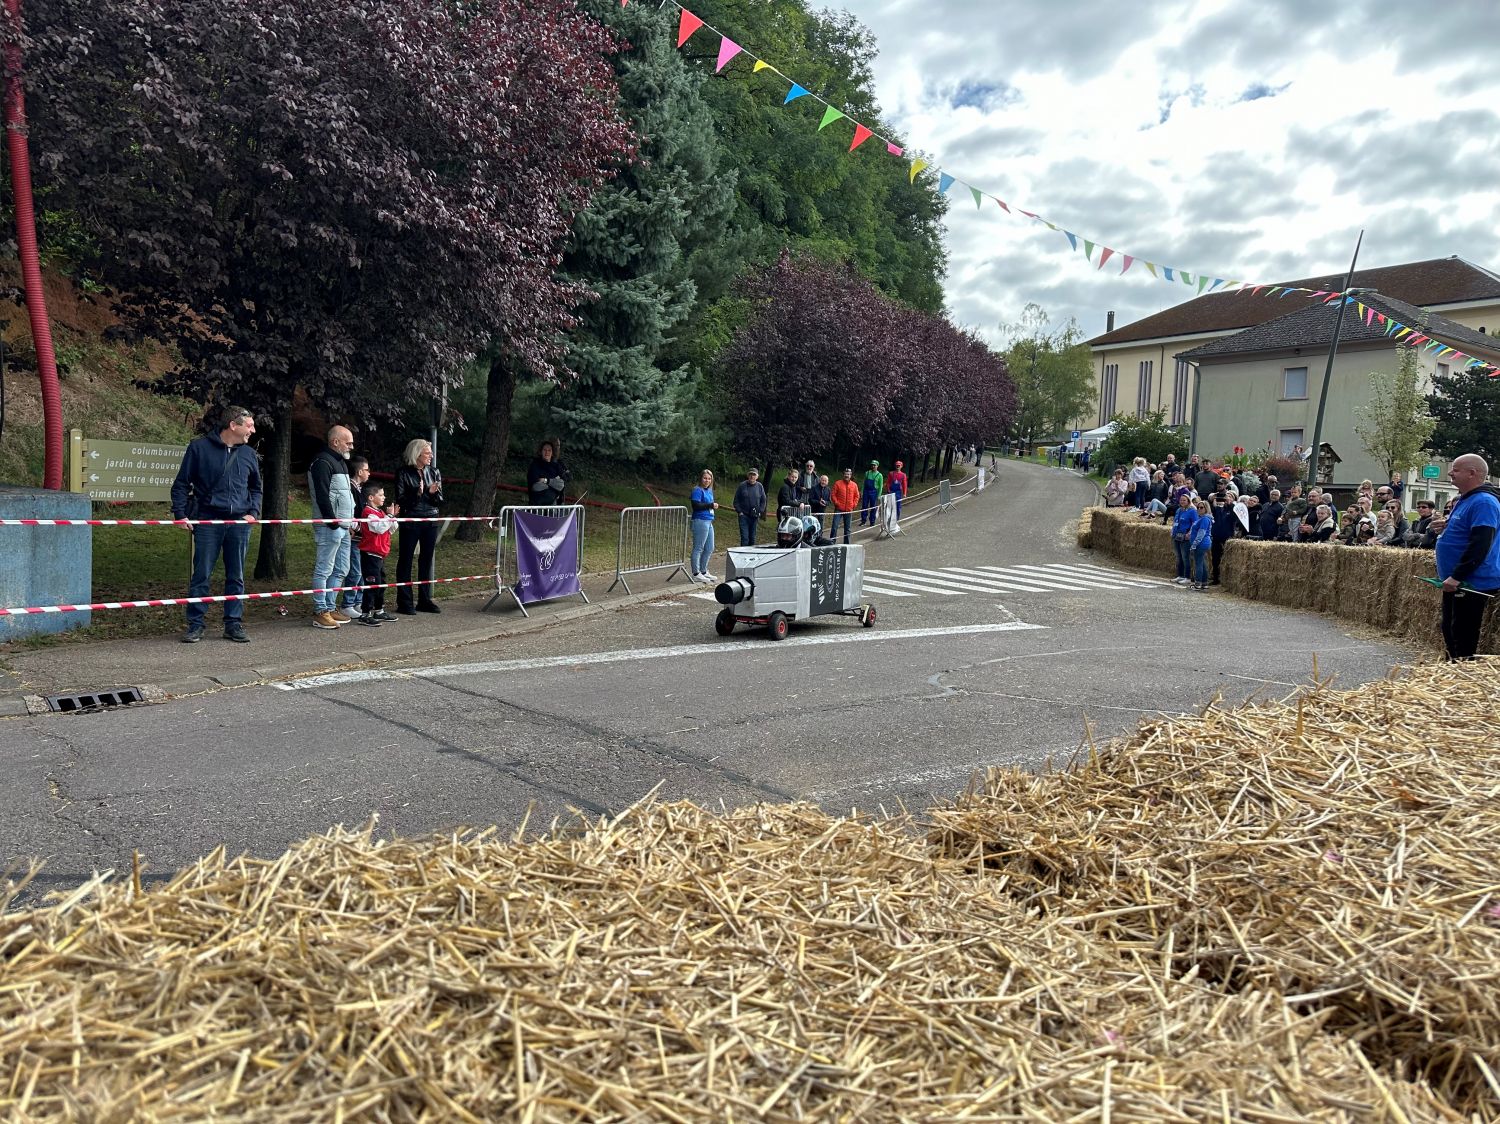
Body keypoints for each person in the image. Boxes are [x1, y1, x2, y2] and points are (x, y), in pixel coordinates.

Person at [169, 404, 261, 643]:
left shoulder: (249, 454)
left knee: (236, 575)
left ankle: (233, 624)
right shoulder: (199, 448)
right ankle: (195, 624)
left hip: (239, 523)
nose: (253, 430)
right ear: (233, 425)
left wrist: (253, 512)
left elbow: (256, 488)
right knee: (201, 574)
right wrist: (180, 514)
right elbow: (181, 484)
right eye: (249, 425)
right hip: (208, 521)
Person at [1435, 453, 1500, 660]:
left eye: (1455, 469)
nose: (1450, 473)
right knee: (1450, 630)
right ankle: (1453, 673)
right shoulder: (1467, 499)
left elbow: (1481, 544)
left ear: (1472, 473)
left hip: (1471, 581)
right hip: (1457, 580)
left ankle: (1461, 678)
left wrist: (1457, 576)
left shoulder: (1484, 502)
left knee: (1461, 636)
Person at [308, 425, 357, 630]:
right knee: (325, 568)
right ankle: (320, 610)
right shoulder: (322, 462)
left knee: (341, 568)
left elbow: (346, 496)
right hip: (331, 525)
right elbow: (322, 495)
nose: (351, 447)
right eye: (348, 442)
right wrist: (331, 520)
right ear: (335, 441)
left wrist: (351, 520)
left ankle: (330, 605)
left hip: (344, 525)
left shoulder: (341, 463)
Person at [395, 438, 444, 614]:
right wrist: (418, 493)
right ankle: (404, 601)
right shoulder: (402, 473)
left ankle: (425, 599)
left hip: (430, 520)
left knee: (426, 560)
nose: (431, 455)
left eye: (431, 452)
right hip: (411, 520)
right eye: (427, 452)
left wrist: (431, 494)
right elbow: (401, 501)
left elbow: (440, 500)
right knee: (406, 560)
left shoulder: (435, 472)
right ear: (417, 454)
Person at [355, 482, 399, 625]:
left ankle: (379, 610)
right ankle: (365, 613)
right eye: (380, 495)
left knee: (382, 583)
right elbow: (379, 528)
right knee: (372, 584)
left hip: (380, 554)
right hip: (370, 555)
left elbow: (391, 529)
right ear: (370, 497)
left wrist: (391, 517)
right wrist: (389, 516)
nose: (384, 497)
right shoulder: (368, 513)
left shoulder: (381, 513)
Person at [338, 455, 371, 621]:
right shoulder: (350, 489)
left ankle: (358, 600)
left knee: (361, 572)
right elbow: (351, 513)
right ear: (359, 471)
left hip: (361, 538)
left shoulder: (360, 490)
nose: (369, 473)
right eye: (366, 470)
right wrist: (360, 528)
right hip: (354, 537)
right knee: (355, 571)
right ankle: (347, 604)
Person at [689, 468, 718, 582]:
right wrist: (710, 505)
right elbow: (696, 506)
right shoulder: (697, 490)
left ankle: (704, 570)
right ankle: (696, 573)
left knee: (710, 547)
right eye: (705, 478)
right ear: (701, 479)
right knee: (699, 547)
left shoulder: (709, 491)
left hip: (709, 521)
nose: (707, 480)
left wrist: (711, 506)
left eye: (709, 478)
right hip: (700, 520)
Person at [526, 439, 569, 506]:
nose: (547, 452)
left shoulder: (557, 466)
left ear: (552, 453)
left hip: (554, 506)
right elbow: (535, 485)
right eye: (545, 450)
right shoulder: (535, 465)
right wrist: (554, 484)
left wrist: (546, 480)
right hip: (537, 504)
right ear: (541, 451)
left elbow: (562, 483)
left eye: (549, 450)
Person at [1209, 492, 1240, 584]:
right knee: (1215, 559)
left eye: (1230, 497)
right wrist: (1213, 502)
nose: (1226, 498)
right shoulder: (1217, 509)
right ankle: (1215, 578)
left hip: (1227, 538)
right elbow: (1209, 511)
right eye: (1226, 497)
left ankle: (1226, 579)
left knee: (1226, 559)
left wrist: (1230, 504)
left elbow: (1235, 518)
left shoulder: (1232, 509)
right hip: (1216, 537)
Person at [733, 468, 767, 547]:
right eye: (751, 474)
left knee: (752, 538)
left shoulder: (760, 486)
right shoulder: (742, 485)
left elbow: (763, 500)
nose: (752, 476)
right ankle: (743, 556)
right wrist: (740, 512)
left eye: (754, 475)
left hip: (754, 517)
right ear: (748, 475)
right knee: (745, 538)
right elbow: (736, 501)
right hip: (744, 516)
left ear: (757, 476)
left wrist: (760, 512)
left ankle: (751, 556)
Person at [1170, 492, 1196, 584]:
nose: (1182, 501)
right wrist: (1172, 530)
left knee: (1186, 557)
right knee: (1179, 557)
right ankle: (1180, 575)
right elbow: (1175, 521)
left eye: (1184, 500)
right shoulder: (1179, 510)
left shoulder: (1192, 511)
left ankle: (1187, 577)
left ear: (1188, 501)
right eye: (1181, 500)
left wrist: (1190, 533)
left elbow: (1194, 523)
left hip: (1185, 536)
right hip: (1177, 535)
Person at [830, 467, 859, 544]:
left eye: (849, 474)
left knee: (848, 529)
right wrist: (837, 503)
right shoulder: (837, 483)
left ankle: (847, 544)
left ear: (851, 475)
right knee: (834, 527)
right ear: (843, 474)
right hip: (838, 509)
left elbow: (857, 496)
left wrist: (854, 504)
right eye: (846, 474)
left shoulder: (854, 485)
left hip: (849, 509)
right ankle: (832, 543)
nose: (847, 475)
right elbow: (833, 495)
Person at [1190, 499, 1214, 590]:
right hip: (1203, 542)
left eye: (1201, 507)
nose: (1199, 509)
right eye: (1198, 507)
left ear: (1206, 508)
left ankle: (1198, 583)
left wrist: (1194, 544)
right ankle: (1204, 583)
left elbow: (1201, 533)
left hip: (1201, 543)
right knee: (1202, 563)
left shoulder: (1204, 519)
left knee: (1198, 563)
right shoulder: (1203, 518)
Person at [860, 461, 883, 526]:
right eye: (872, 465)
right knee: (864, 506)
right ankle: (863, 520)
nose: (873, 466)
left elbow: (881, 486)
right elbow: (864, 483)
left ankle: (872, 521)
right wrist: (862, 492)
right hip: (866, 491)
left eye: (874, 465)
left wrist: (879, 495)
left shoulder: (879, 475)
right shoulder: (867, 473)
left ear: (877, 466)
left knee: (873, 507)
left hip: (874, 492)